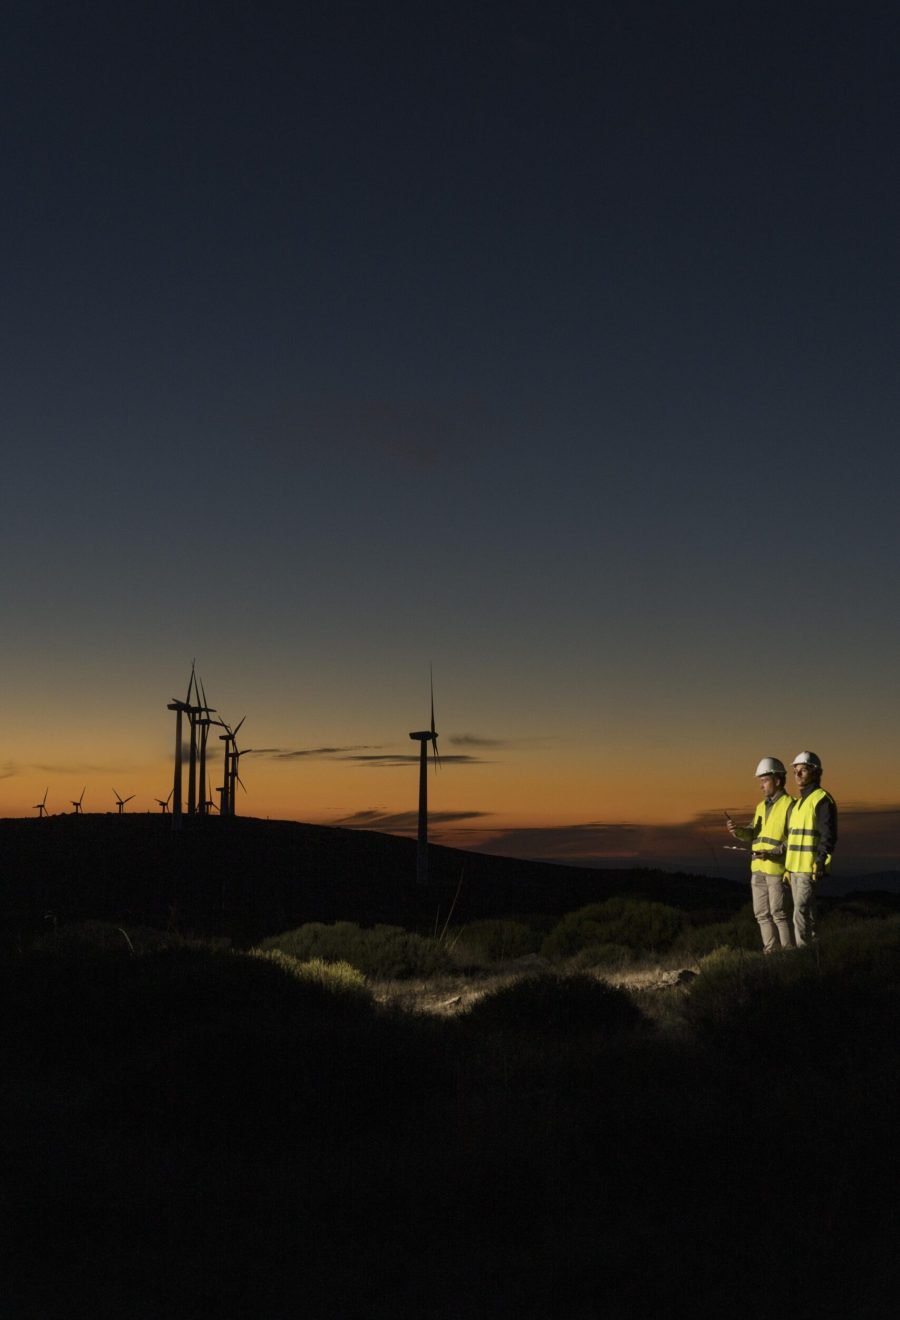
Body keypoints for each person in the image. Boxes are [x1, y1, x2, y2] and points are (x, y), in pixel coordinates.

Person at [726, 757, 794, 953]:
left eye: (764, 781)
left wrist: (772, 853)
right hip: (757, 869)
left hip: (776, 869)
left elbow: (793, 840)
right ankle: (771, 953)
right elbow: (752, 833)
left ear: (778, 780)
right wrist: (737, 831)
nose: (761, 786)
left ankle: (789, 955)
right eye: (760, 781)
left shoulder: (790, 805)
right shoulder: (761, 807)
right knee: (761, 914)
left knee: (779, 914)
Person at [783, 751, 837, 946]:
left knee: (800, 911)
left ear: (816, 772)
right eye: (795, 771)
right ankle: (814, 952)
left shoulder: (822, 799)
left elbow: (828, 835)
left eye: (803, 770)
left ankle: (801, 954)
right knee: (808, 911)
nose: (797, 775)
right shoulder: (797, 804)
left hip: (809, 868)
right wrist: (787, 869)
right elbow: (792, 839)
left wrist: (820, 860)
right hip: (794, 869)